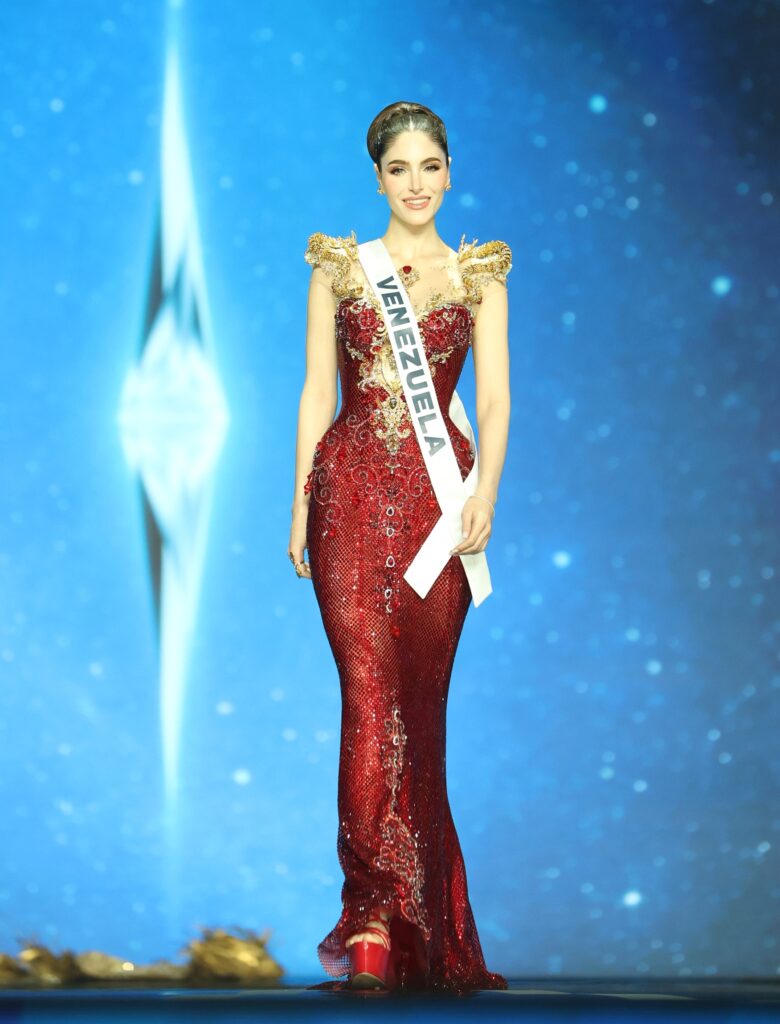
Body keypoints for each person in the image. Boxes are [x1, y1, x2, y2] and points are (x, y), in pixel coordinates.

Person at [288, 100, 511, 994]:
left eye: (430, 166)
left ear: (449, 171)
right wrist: (298, 504)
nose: (416, 183)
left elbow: (493, 400)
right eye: (398, 169)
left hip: (438, 508)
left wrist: (485, 493)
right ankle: (373, 914)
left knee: (419, 712)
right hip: (347, 496)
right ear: (377, 178)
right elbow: (316, 392)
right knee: (366, 694)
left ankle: (418, 925)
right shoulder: (340, 269)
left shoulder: (480, 276)